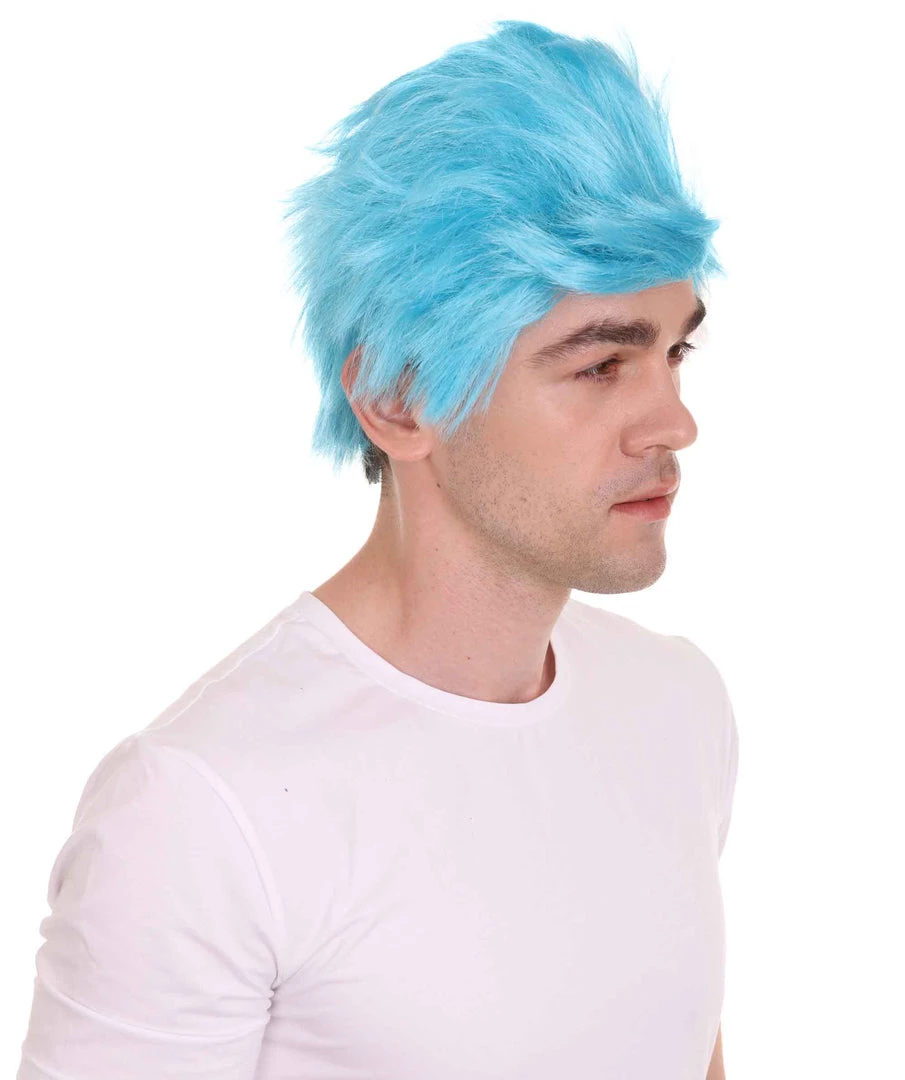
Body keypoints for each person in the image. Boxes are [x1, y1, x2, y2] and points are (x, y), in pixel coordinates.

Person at [16, 19, 739, 1080]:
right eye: (599, 366)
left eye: (674, 350)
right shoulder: (198, 811)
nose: (673, 422)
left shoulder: (675, 705)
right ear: (398, 400)